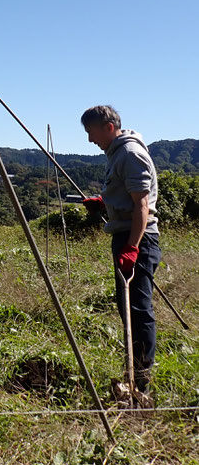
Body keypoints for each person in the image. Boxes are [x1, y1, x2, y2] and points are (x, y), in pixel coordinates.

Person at [80, 105, 161, 393]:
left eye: (91, 132)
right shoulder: (117, 154)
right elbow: (127, 197)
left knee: (138, 310)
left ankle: (141, 381)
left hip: (136, 238)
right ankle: (134, 371)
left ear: (108, 127)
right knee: (126, 308)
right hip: (125, 234)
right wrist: (104, 204)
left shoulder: (129, 153)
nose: (90, 140)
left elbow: (141, 205)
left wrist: (132, 248)